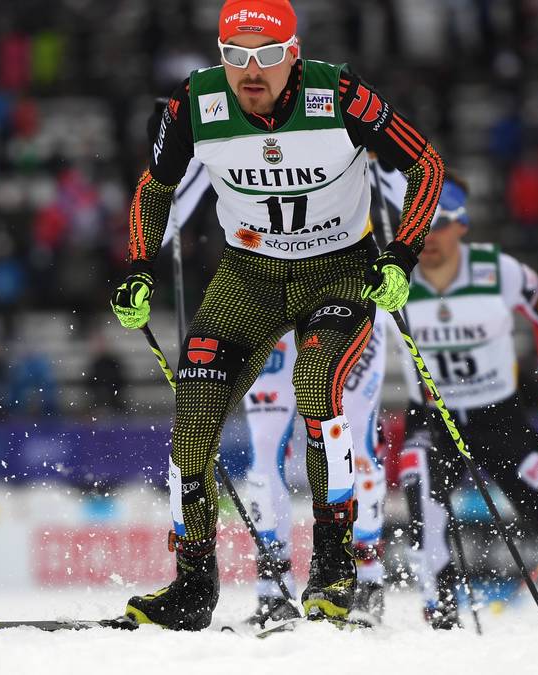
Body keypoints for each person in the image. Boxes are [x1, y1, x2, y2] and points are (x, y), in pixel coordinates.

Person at [110, 0, 445, 630]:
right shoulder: (196, 103)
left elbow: (426, 165)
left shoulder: (339, 93)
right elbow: (154, 188)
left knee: (316, 383)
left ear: (293, 54)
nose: (249, 71)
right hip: (250, 276)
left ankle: (334, 566)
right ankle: (192, 585)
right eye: (234, 56)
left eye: (265, 55)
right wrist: (138, 267)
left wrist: (401, 255)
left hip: (338, 269)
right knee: (194, 416)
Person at [397, 173, 538, 630]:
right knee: (419, 481)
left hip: (496, 414)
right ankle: (440, 614)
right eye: (419, 226)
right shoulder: (394, 276)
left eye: (439, 225)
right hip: (431, 417)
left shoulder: (500, 272)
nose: (428, 238)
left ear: (461, 225)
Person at [241, 312, 390, 626]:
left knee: (352, 437)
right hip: (271, 307)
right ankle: (273, 590)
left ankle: (367, 580)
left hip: (341, 305)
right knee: (265, 446)